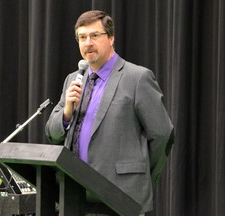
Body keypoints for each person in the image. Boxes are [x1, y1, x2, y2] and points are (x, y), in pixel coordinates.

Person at [45, 10, 174, 215]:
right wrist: (67, 112)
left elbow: (162, 134)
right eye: (82, 37)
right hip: (74, 196)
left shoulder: (137, 78)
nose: (88, 43)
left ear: (111, 37)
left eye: (95, 36)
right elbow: (52, 133)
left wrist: (142, 175)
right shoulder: (73, 80)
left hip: (121, 197)